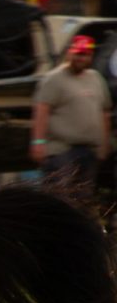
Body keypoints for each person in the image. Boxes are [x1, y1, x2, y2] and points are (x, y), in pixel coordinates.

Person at [30, 35, 113, 206]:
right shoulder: (54, 78)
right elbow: (41, 111)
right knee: (60, 198)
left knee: (84, 199)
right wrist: (38, 142)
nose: (80, 58)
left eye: (85, 55)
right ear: (69, 53)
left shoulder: (95, 78)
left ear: (91, 56)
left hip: (89, 150)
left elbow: (104, 112)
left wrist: (104, 144)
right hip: (61, 151)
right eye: (77, 54)